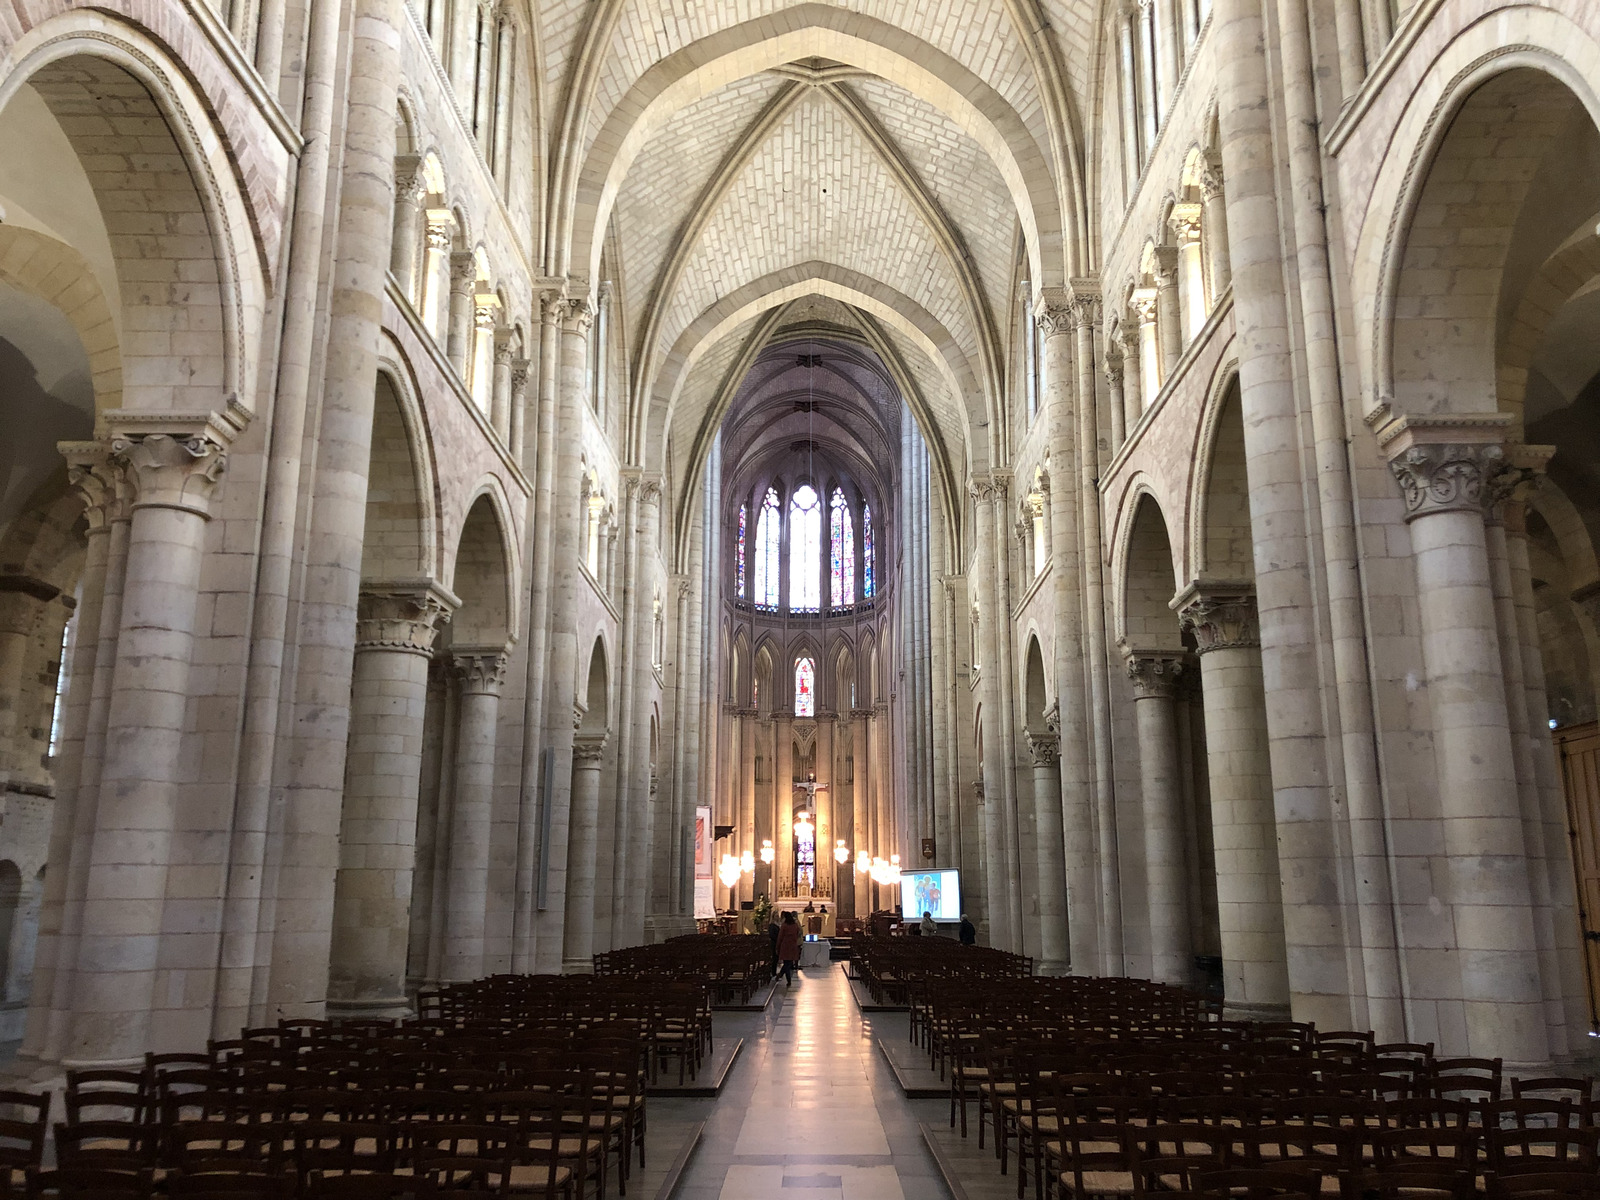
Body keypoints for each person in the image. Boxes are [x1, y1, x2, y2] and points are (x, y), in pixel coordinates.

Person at [777, 911, 802, 986]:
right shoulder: (795, 925)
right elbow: (798, 933)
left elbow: (780, 936)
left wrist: (777, 946)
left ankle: (784, 976)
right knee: (789, 963)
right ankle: (785, 977)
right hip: (793, 946)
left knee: (786, 963)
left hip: (785, 946)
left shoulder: (784, 926)